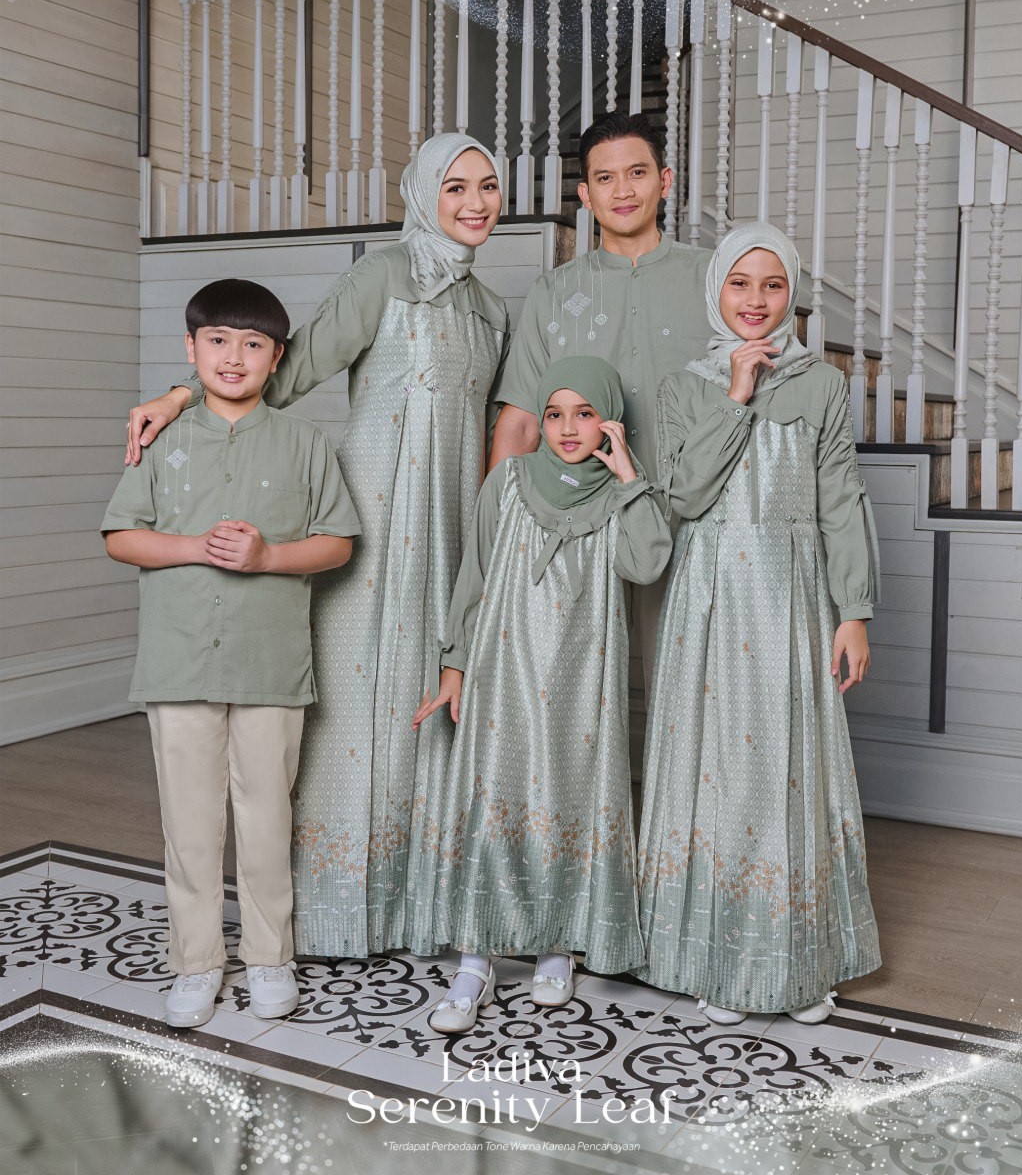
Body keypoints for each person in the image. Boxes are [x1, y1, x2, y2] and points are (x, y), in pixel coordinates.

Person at [121, 135, 509, 960]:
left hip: (447, 526)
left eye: (487, 187)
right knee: (346, 712)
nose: (474, 203)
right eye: (454, 187)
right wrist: (182, 396)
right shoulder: (381, 277)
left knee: (425, 702)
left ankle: (414, 905)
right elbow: (283, 370)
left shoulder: (492, 311)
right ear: (422, 195)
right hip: (365, 517)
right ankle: (333, 914)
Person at [635, 222, 882, 1026]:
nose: (756, 301)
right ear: (717, 290)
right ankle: (715, 956)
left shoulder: (823, 384)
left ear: (792, 295)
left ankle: (799, 961)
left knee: (791, 771)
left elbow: (840, 499)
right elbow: (682, 496)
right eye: (740, 284)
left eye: (773, 286)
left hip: (791, 598)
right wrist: (736, 394)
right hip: (709, 599)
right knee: (717, 772)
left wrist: (853, 612)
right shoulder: (684, 387)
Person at [102, 280, 360, 1028]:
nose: (234, 356)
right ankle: (196, 963)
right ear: (191, 349)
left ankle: (270, 957)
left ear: (277, 359)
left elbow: (338, 542)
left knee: (266, 820)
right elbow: (121, 535)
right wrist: (196, 548)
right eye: (217, 340)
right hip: (178, 661)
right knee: (188, 826)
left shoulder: (306, 443)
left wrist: (266, 556)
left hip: (270, 666)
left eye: (253, 344)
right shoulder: (160, 439)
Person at [412, 357, 672, 1033]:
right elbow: (474, 574)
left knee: (569, 798)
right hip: (503, 669)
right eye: (554, 414)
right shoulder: (509, 481)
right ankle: (475, 959)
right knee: (495, 797)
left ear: (610, 423)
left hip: (585, 682)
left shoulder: (620, 496)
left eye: (586, 414)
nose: (567, 428)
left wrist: (628, 475)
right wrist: (454, 665)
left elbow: (648, 562)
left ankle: (556, 947)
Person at [487, 111, 714, 708]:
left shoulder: (715, 282)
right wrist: (503, 527)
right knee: (568, 694)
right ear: (585, 195)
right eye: (605, 178)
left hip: (692, 514)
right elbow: (522, 419)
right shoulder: (555, 293)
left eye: (637, 172)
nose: (623, 190)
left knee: (689, 696)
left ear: (665, 180)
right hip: (578, 516)